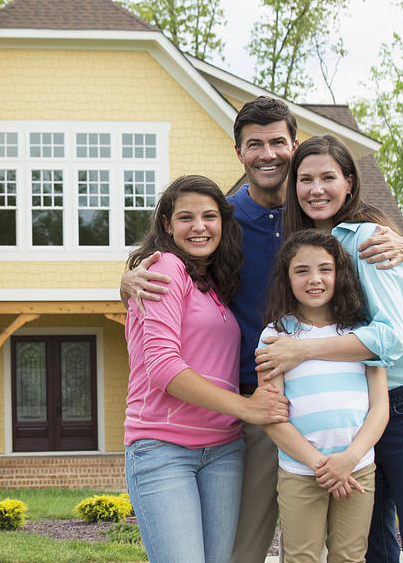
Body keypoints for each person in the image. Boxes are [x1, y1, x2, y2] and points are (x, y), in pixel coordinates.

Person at [121, 96, 403, 563]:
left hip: (339, 400)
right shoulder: (225, 219)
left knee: (351, 544)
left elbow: (384, 261)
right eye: (254, 144)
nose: (268, 153)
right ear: (238, 152)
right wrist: (128, 278)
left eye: (278, 142)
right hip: (255, 404)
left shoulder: (323, 212)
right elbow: (179, 270)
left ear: (294, 146)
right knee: (244, 547)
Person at [255, 134, 403, 563]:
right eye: (305, 179)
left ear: (349, 182)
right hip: (356, 410)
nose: (316, 189)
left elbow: (389, 340)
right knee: (372, 550)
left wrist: (303, 351)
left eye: (328, 177)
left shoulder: (367, 239)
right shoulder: (308, 246)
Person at [124, 174, 289, 563]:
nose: (199, 227)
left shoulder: (212, 284)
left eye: (209, 216)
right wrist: (247, 408)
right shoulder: (164, 267)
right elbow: (163, 367)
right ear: (167, 224)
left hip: (222, 451)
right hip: (165, 448)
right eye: (186, 217)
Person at [259, 228, 389, 563]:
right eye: (301, 270)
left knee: (350, 556)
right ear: (287, 279)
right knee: (302, 557)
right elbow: (272, 416)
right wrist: (322, 466)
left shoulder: (362, 332)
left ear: (339, 274)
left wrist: (347, 461)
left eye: (325, 269)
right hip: (302, 470)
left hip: (357, 466)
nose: (314, 279)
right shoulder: (275, 336)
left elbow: (379, 409)